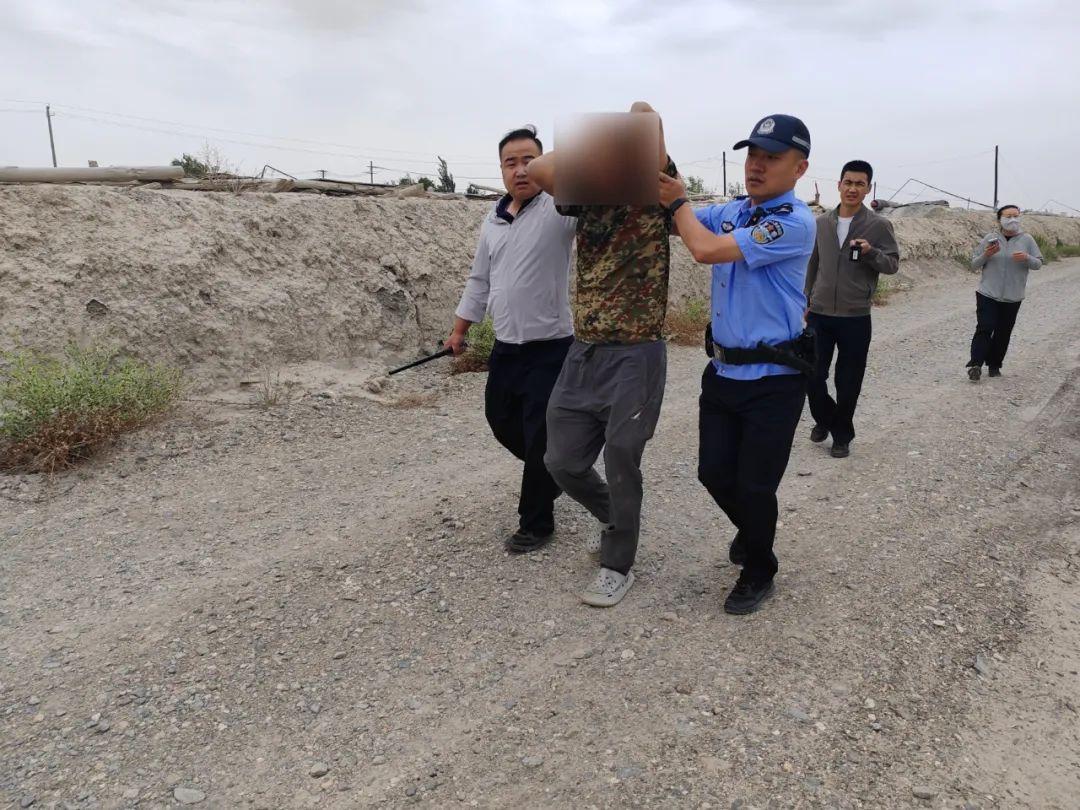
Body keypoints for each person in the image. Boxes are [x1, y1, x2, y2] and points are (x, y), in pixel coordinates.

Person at [658, 114, 815, 615]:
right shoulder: (735, 211)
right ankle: (753, 532)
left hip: (774, 379)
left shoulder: (791, 222)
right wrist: (657, 157)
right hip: (723, 373)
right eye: (752, 155)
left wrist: (680, 201)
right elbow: (676, 220)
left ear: (800, 168)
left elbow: (702, 248)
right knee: (713, 473)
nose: (756, 166)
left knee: (754, 483)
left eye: (771, 158)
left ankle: (759, 566)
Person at [526, 102, 675, 607]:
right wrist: (591, 146)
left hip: (637, 352)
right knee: (560, 460)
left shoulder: (657, 189)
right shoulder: (585, 197)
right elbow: (538, 169)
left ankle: (618, 562)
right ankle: (619, 518)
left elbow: (647, 116)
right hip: (584, 350)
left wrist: (628, 128)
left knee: (621, 457)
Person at [446, 125, 577, 553]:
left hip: (551, 347)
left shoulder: (562, 208)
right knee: (501, 421)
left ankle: (536, 522)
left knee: (537, 433)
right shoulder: (493, 218)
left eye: (529, 160)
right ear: (501, 169)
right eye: (511, 162)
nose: (520, 170)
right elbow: (479, 279)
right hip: (506, 346)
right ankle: (555, 474)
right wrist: (460, 330)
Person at [803, 160, 900, 458]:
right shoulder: (821, 223)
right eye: (848, 182)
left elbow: (892, 265)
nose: (853, 188)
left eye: (860, 184)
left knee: (848, 380)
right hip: (819, 313)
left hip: (856, 316)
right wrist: (805, 300)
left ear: (868, 188)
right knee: (811, 375)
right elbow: (813, 264)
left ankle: (841, 435)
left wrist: (871, 253)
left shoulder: (878, 225)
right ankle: (826, 419)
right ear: (839, 184)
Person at [966, 205, 1043, 381]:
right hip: (987, 293)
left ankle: (994, 365)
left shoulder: (1027, 239)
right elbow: (973, 265)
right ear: (1000, 219)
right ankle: (975, 364)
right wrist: (986, 254)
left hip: (1013, 296)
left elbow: (1038, 263)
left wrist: (1027, 258)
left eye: (1016, 216)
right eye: (1008, 216)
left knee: (1003, 332)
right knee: (985, 327)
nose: (1013, 219)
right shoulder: (990, 238)